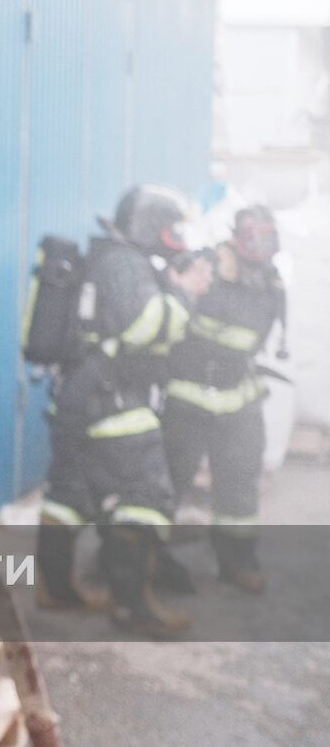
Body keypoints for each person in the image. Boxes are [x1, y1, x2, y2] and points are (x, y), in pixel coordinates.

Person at [35, 184, 208, 636]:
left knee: (70, 495)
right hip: (113, 401)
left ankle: (55, 588)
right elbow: (144, 326)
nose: (176, 238)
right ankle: (133, 605)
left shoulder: (107, 259)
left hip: (77, 396)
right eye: (171, 228)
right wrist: (186, 293)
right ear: (152, 225)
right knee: (143, 496)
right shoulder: (125, 263)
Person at [163, 205, 285, 593]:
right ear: (237, 236)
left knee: (239, 486)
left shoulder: (271, 280)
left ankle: (237, 562)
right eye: (255, 239)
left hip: (238, 398)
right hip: (188, 393)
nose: (262, 249)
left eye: (268, 239)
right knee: (166, 481)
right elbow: (173, 311)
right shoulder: (207, 266)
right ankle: (139, 559)